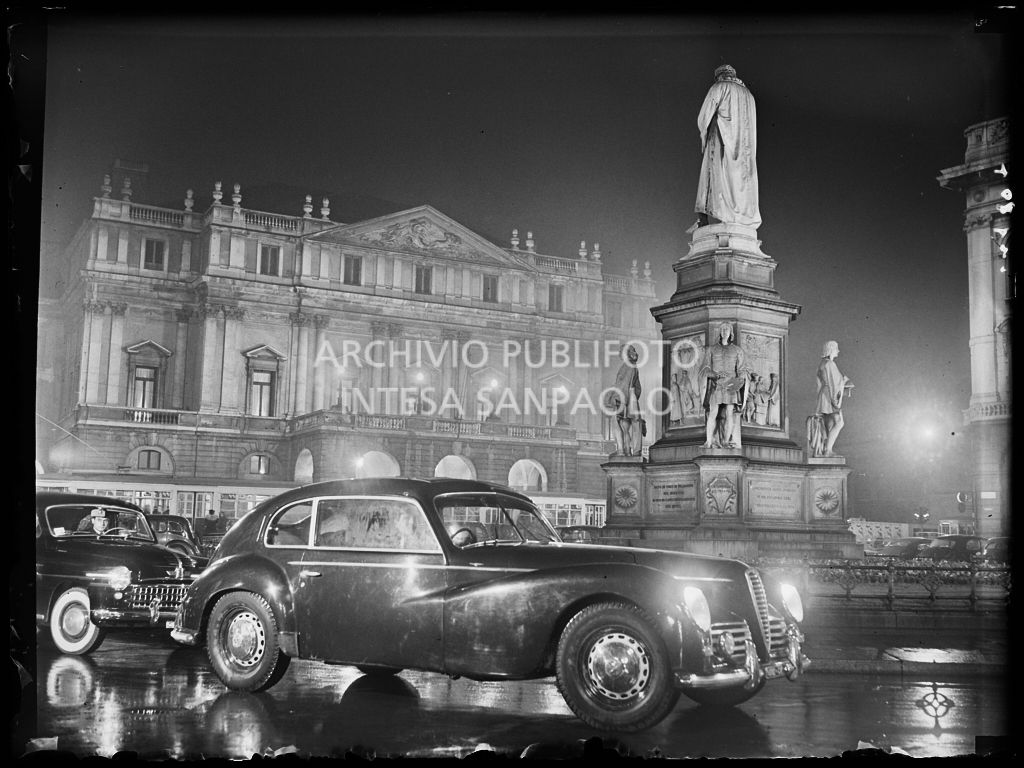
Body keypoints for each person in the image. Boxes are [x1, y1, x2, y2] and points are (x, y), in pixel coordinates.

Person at [695, 64, 761, 229]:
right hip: (745, 151)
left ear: (719, 76)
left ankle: (704, 220)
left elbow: (704, 115)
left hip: (722, 140)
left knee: (714, 178)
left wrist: (703, 133)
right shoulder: (749, 96)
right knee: (741, 184)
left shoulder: (720, 87)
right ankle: (741, 217)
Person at [700, 322, 749, 448]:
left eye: (727, 329)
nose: (724, 331)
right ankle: (709, 441)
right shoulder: (711, 349)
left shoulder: (737, 350)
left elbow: (742, 369)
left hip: (731, 385)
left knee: (729, 412)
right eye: (722, 329)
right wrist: (714, 374)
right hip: (716, 385)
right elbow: (705, 368)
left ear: (731, 332)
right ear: (720, 332)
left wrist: (740, 379)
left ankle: (726, 441)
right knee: (713, 412)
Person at [815, 340, 854, 456]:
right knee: (839, 422)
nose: (838, 351)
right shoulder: (830, 364)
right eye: (836, 349)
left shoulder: (822, 363)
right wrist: (844, 382)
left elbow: (821, 382)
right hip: (830, 396)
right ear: (831, 350)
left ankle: (826, 449)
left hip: (824, 395)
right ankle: (828, 450)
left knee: (830, 423)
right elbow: (834, 383)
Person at [604, 345, 643, 457]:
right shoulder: (632, 366)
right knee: (625, 427)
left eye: (621, 351)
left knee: (616, 424)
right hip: (629, 399)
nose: (619, 353)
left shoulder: (628, 366)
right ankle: (626, 450)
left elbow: (623, 384)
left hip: (622, 399)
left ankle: (621, 450)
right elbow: (638, 387)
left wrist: (618, 399)